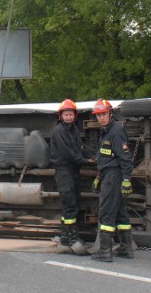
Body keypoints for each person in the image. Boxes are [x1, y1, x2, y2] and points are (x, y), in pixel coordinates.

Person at [91, 99, 134, 262]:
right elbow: (105, 157)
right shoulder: (106, 131)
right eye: (98, 115)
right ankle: (126, 248)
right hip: (108, 175)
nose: (101, 118)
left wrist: (126, 180)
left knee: (106, 213)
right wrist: (98, 177)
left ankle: (105, 252)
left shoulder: (115, 132)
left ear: (110, 114)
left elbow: (125, 159)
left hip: (114, 177)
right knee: (121, 214)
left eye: (103, 114)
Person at [49, 99, 89, 249]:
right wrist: (85, 161)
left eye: (70, 114)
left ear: (74, 115)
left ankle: (66, 237)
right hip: (64, 171)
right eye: (66, 114)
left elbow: (78, 149)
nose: (68, 117)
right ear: (61, 116)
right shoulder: (59, 131)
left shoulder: (73, 130)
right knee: (69, 205)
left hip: (73, 171)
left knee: (73, 204)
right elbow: (68, 153)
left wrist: (89, 157)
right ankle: (72, 238)